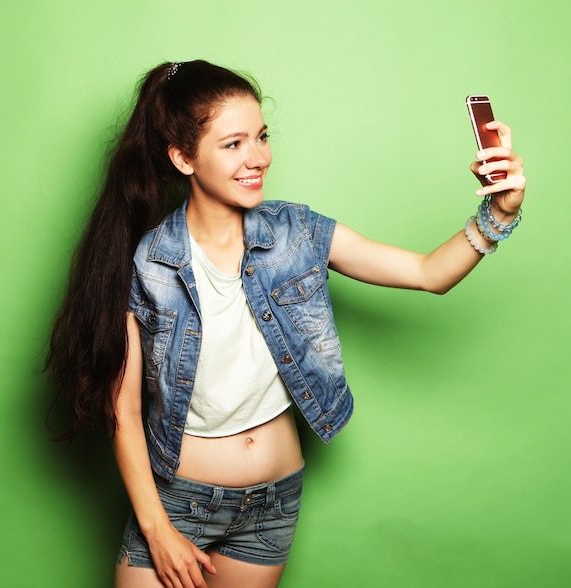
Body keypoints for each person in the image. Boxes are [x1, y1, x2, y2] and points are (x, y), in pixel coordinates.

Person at [45, 60, 526, 588]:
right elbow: (123, 409)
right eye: (233, 144)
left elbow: (427, 273)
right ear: (183, 158)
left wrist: (498, 213)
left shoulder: (297, 232)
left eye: (262, 136)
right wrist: (157, 528)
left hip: (273, 502)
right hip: (179, 501)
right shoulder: (149, 263)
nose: (257, 158)